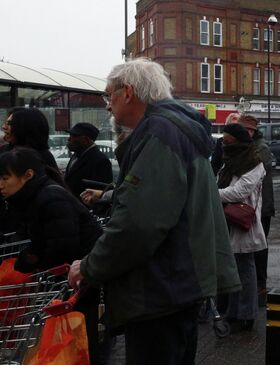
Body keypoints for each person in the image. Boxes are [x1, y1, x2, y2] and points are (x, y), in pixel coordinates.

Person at [67, 58, 240, 364]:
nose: (108, 105)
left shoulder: (158, 133)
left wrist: (91, 266)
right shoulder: (174, 129)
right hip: (177, 286)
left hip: (159, 291)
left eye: (110, 95)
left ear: (128, 92)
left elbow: (139, 223)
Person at [0, 147, 110, 364]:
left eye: (5, 178)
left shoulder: (49, 199)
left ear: (28, 175)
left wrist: (32, 260)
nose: (1, 185)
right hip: (75, 277)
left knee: (83, 336)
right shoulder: (35, 197)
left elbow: (63, 246)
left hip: (82, 279)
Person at [218, 123, 266, 332]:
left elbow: (239, 191)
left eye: (227, 140)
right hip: (227, 220)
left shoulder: (254, 163)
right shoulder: (229, 161)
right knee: (234, 268)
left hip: (243, 222)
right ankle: (233, 311)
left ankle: (247, 314)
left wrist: (211, 193)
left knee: (245, 268)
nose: (224, 144)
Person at [236, 115, 274, 304]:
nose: (246, 133)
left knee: (259, 247)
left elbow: (257, 175)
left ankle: (260, 286)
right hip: (249, 205)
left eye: (248, 130)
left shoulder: (260, 148)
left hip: (261, 205)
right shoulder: (247, 147)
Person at [63, 122, 113, 199]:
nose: (69, 139)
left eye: (73, 136)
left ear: (86, 140)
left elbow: (100, 192)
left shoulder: (100, 161)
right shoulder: (77, 154)